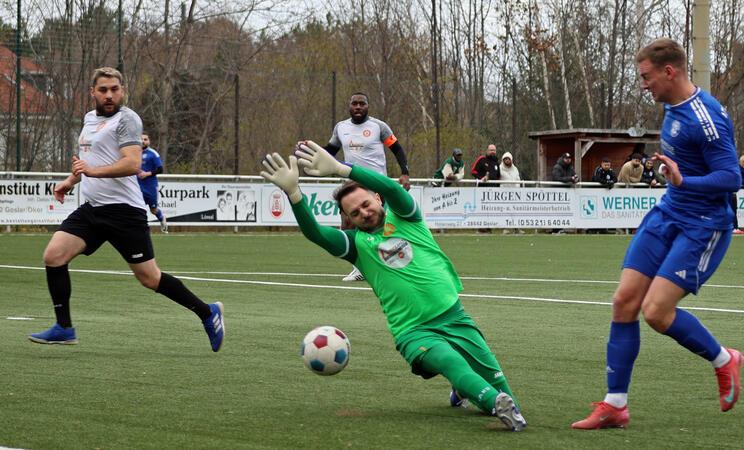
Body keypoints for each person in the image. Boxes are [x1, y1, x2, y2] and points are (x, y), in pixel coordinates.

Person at [259, 141, 527, 432]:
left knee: (502, 387)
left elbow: (394, 189)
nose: (363, 213)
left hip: (455, 316)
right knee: (452, 362)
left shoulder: (406, 217)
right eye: (354, 213)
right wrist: (294, 194)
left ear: (377, 197)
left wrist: (341, 168)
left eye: (365, 204)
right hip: (413, 331)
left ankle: (469, 391)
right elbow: (316, 234)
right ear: (348, 219)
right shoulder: (356, 245)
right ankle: (492, 401)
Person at [571, 38, 743, 430]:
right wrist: (672, 172)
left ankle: (724, 360)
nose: (643, 84)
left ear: (670, 71)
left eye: (646, 76)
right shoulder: (670, 106)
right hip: (668, 213)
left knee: (656, 312)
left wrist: (684, 180)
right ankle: (615, 405)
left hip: (703, 225)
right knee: (624, 301)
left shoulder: (707, 118)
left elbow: (731, 177)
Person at [28, 67, 225, 352]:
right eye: (103, 90)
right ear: (92, 92)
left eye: (114, 89)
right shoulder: (89, 119)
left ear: (123, 91)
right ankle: (64, 328)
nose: (109, 95)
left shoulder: (127, 119)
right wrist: (70, 181)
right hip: (93, 210)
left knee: (150, 278)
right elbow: (89, 162)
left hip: (124, 213)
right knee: (54, 256)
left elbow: (132, 163)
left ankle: (208, 312)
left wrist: (92, 173)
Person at [320, 92, 410, 282]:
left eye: (362, 103)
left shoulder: (379, 127)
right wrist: (311, 152)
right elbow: (330, 151)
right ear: (349, 106)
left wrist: (405, 172)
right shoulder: (341, 127)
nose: (358, 107)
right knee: (347, 225)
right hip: (352, 185)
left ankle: (392, 264)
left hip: (376, 184)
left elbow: (397, 148)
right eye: (355, 103)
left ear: (368, 106)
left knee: (381, 227)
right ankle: (359, 267)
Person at [137, 133, 168, 233]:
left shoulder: (153, 154)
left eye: (145, 139)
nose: (143, 141)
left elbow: (160, 169)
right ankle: (140, 229)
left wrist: (147, 174)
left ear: (149, 141)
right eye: (141, 139)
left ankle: (162, 218)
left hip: (150, 186)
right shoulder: (134, 153)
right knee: (137, 208)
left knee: (153, 210)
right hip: (137, 186)